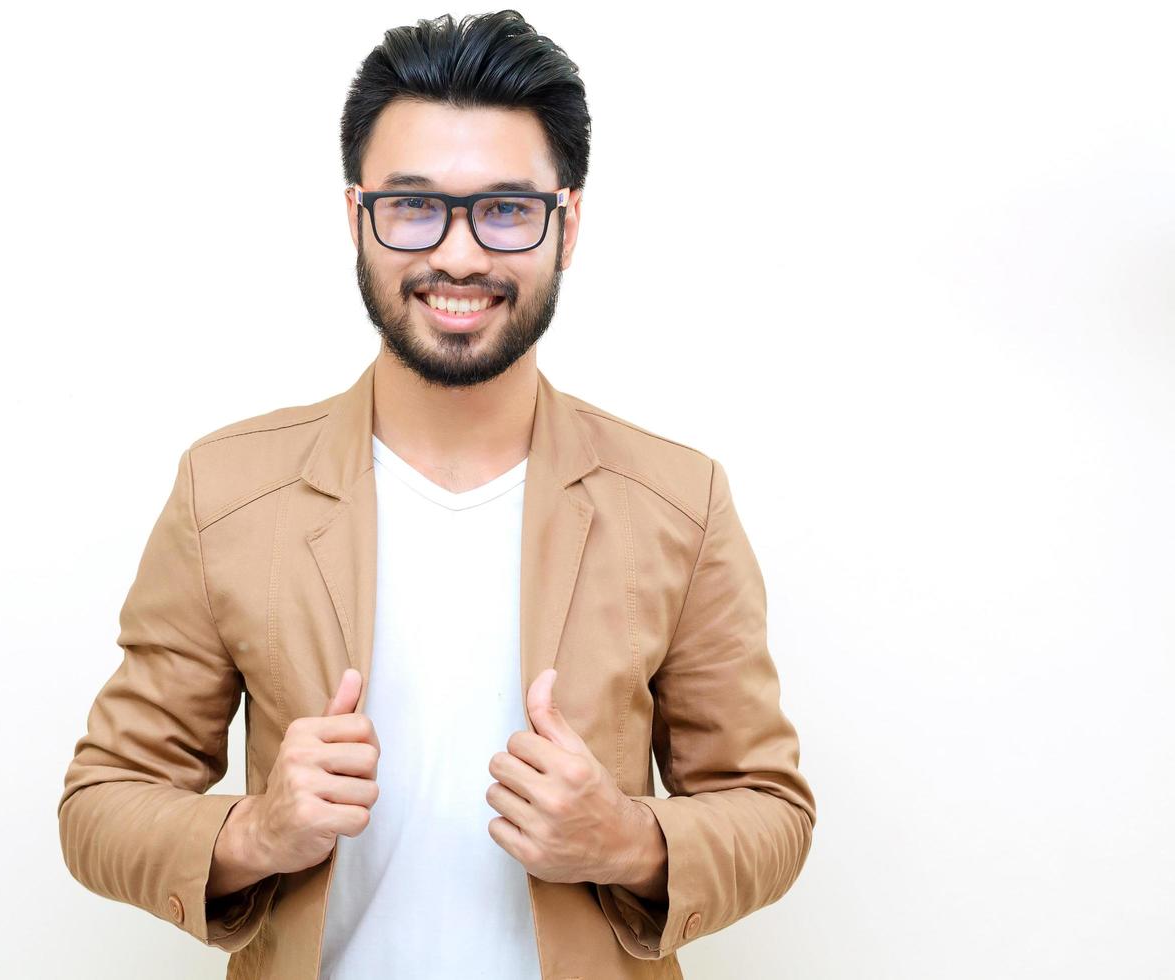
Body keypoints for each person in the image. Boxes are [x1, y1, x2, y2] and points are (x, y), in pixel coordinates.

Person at [58, 10, 816, 979]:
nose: (458, 254)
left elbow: (772, 807)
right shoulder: (227, 490)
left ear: (567, 224)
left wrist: (627, 838)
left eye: (505, 208)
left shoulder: (678, 500)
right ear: (355, 217)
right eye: (414, 206)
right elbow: (101, 799)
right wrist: (257, 828)